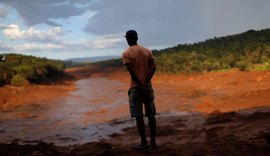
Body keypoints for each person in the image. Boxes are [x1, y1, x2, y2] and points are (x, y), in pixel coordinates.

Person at [122, 30, 157, 150]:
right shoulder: (147, 51)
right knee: (151, 115)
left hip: (136, 88)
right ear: (137, 38)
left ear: (127, 39)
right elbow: (154, 67)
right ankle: (153, 141)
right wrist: (146, 82)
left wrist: (139, 83)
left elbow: (131, 71)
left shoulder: (126, 53)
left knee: (138, 116)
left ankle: (144, 143)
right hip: (148, 87)